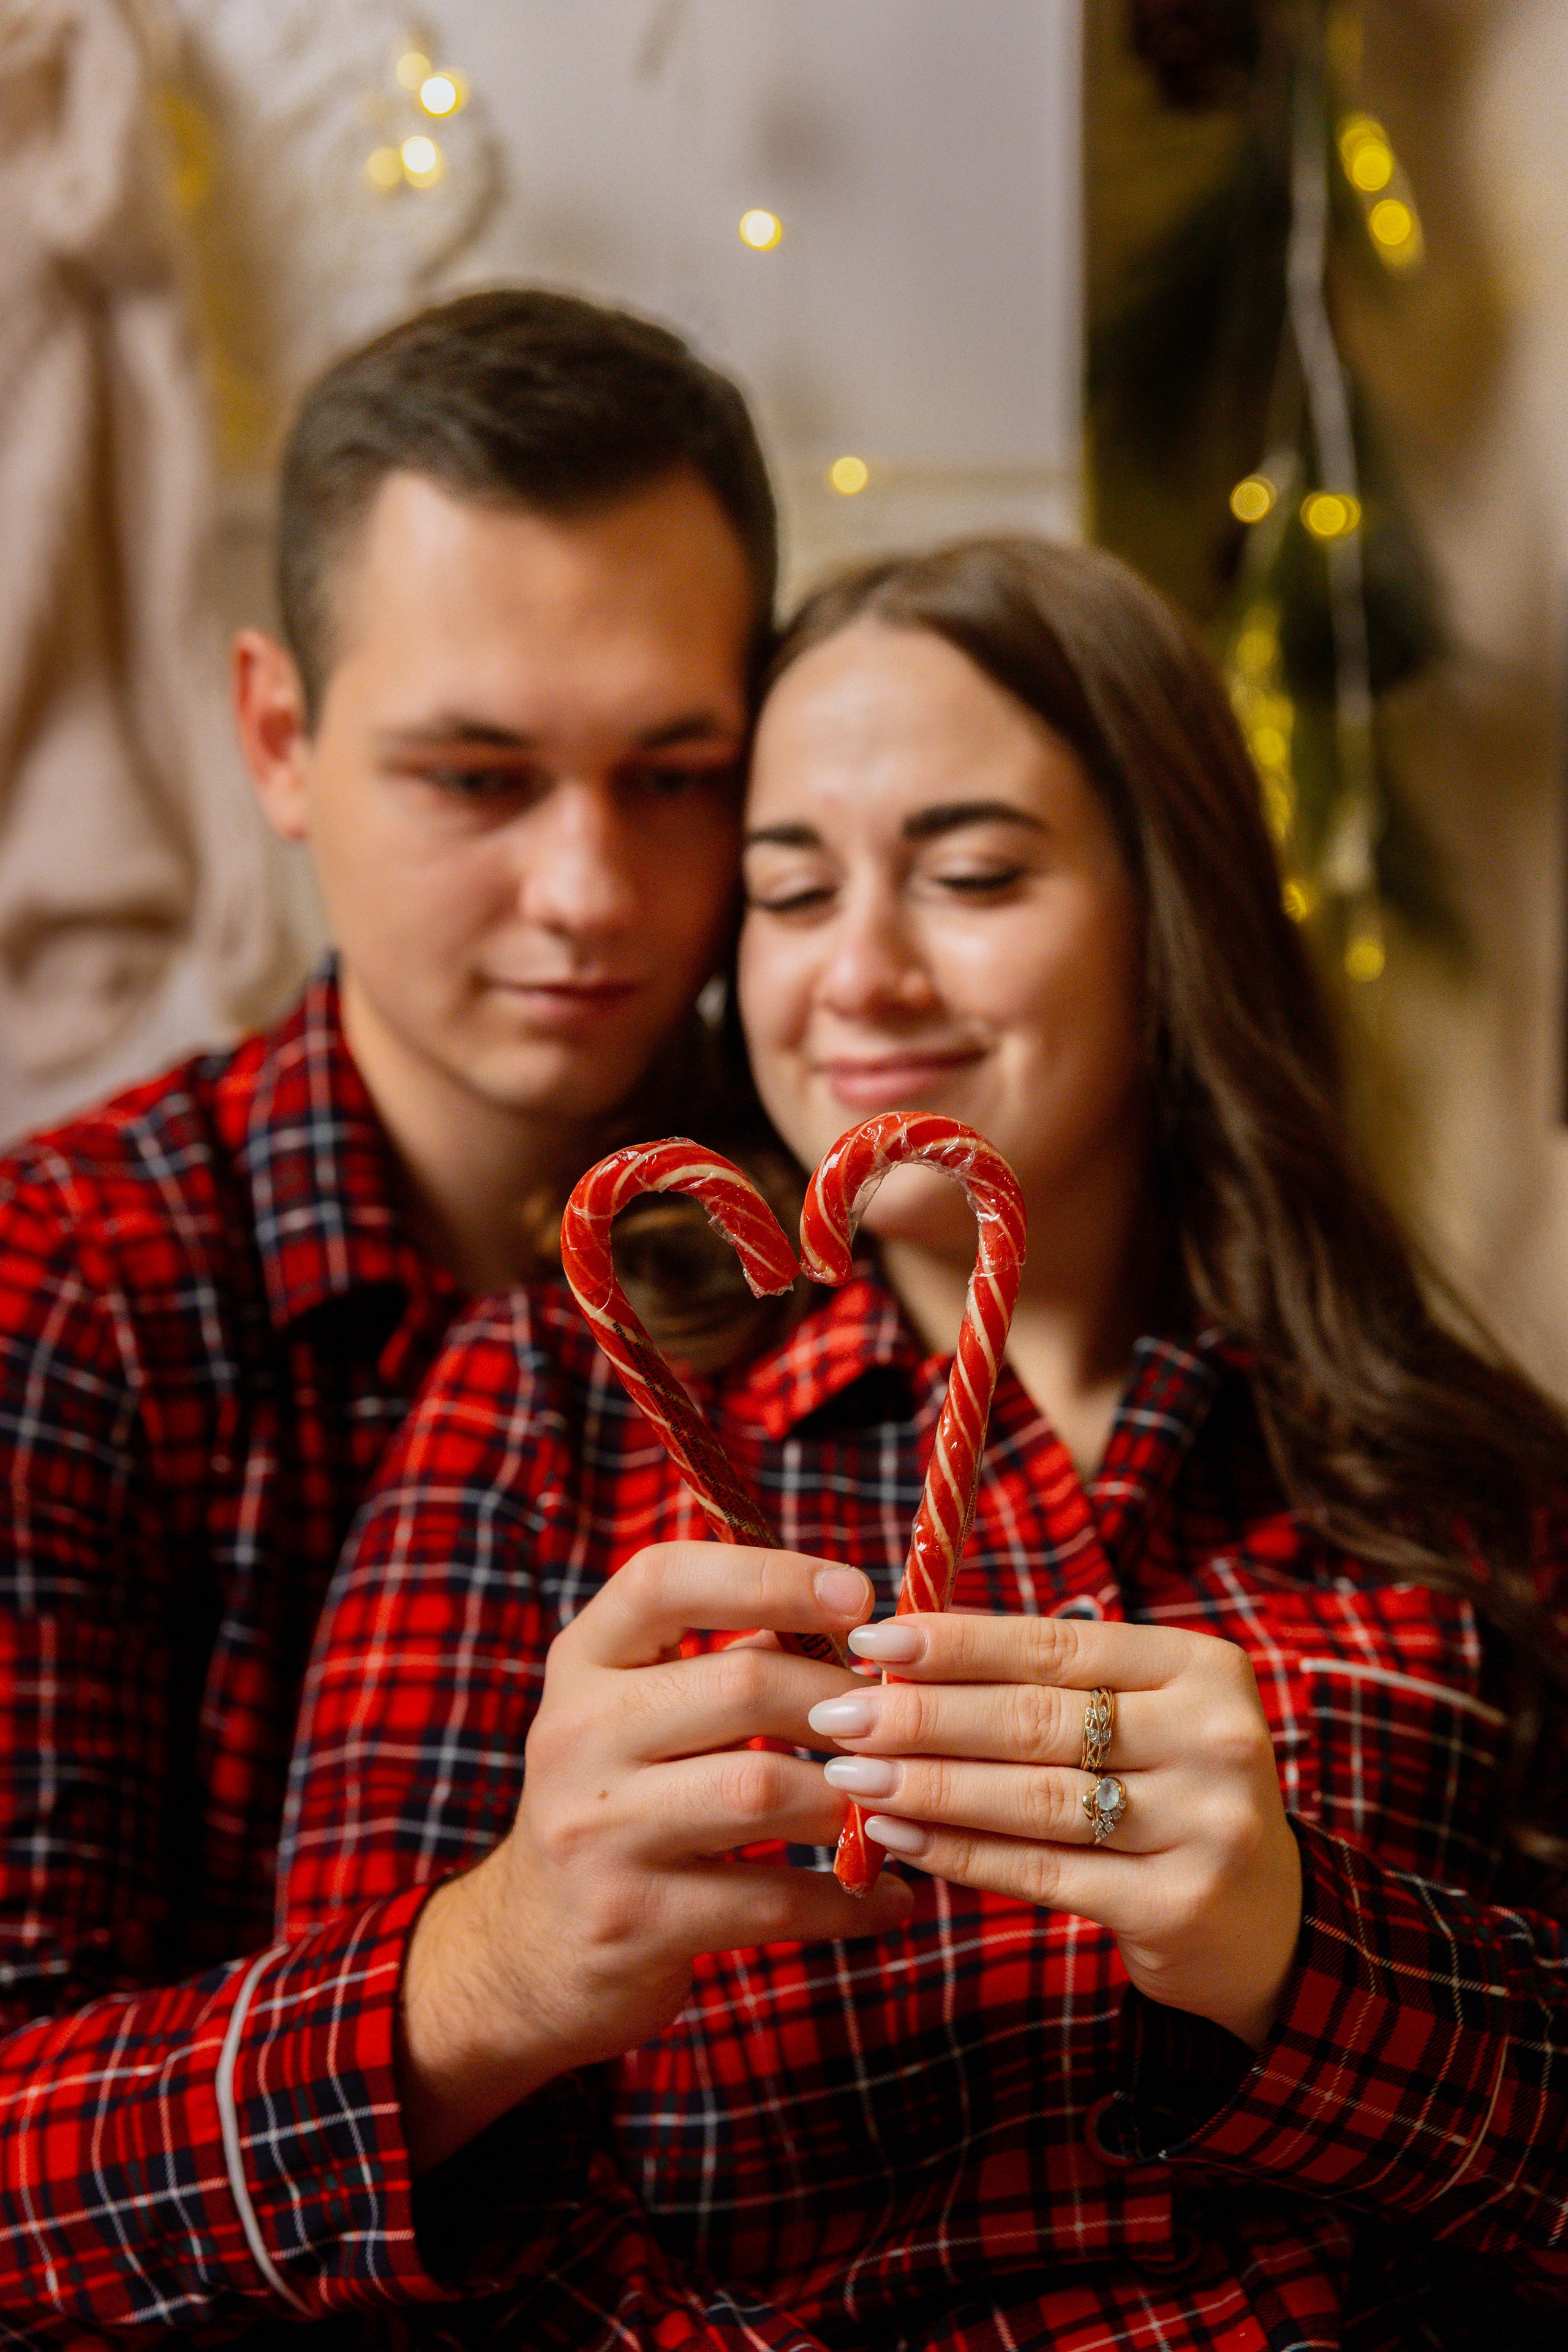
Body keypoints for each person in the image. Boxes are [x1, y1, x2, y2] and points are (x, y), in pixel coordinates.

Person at [275, 537, 1568, 2351]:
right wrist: (509, 1952)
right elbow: (332, 2217)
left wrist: (1309, 1956)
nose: (863, 974)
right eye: (791, 896)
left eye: (970, 874)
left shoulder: (1445, 1482)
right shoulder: (553, 1417)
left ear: (1170, 907)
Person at [0, 288, 887, 2344]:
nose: (587, 891)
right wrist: (477, 1983)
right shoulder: (74, 1298)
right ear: (281, 740)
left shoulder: (891, 1241)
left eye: (675, 777)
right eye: (479, 778)